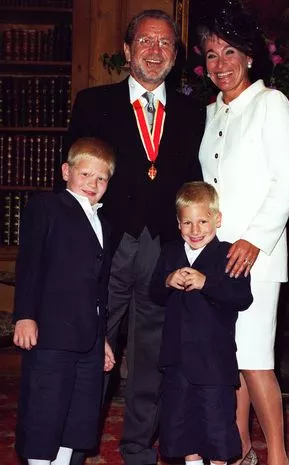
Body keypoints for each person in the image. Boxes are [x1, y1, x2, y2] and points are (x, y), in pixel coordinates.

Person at [65, 9, 205, 465]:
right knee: (91, 348)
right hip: (106, 246)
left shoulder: (191, 112)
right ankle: (76, 445)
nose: (154, 50)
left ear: (175, 55)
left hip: (162, 248)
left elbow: (195, 180)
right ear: (127, 51)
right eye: (145, 41)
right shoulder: (92, 102)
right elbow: (68, 183)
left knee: (150, 357)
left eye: (164, 43)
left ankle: (138, 448)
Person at [198, 2, 289, 465]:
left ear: (250, 56)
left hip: (256, 256)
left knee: (256, 359)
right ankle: (238, 450)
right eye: (212, 54)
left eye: (230, 51)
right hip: (217, 258)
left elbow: (286, 181)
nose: (221, 63)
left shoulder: (270, 104)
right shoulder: (212, 113)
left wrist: (255, 239)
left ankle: (277, 455)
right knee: (229, 359)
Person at [13, 137, 116, 465]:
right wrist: (25, 315)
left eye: (101, 178)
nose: (93, 183)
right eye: (85, 174)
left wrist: (102, 340)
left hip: (88, 339)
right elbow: (30, 263)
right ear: (66, 172)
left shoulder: (104, 223)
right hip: (51, 335)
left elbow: (101, 289)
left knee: (78, 416)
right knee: (46, 412)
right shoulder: (46, 207)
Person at [150, 181, 253, 465]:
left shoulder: (229, 254)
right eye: (188, 223)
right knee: (182, 427)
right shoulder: (170, 252)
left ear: (217, 219)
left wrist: (207, 284)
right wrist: (168, 281)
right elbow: (153, 293)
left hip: (214, 363)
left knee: (216, 427)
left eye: (203, 221)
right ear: (178, 224)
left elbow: (242, 297)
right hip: (177, 361)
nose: (195, 230)